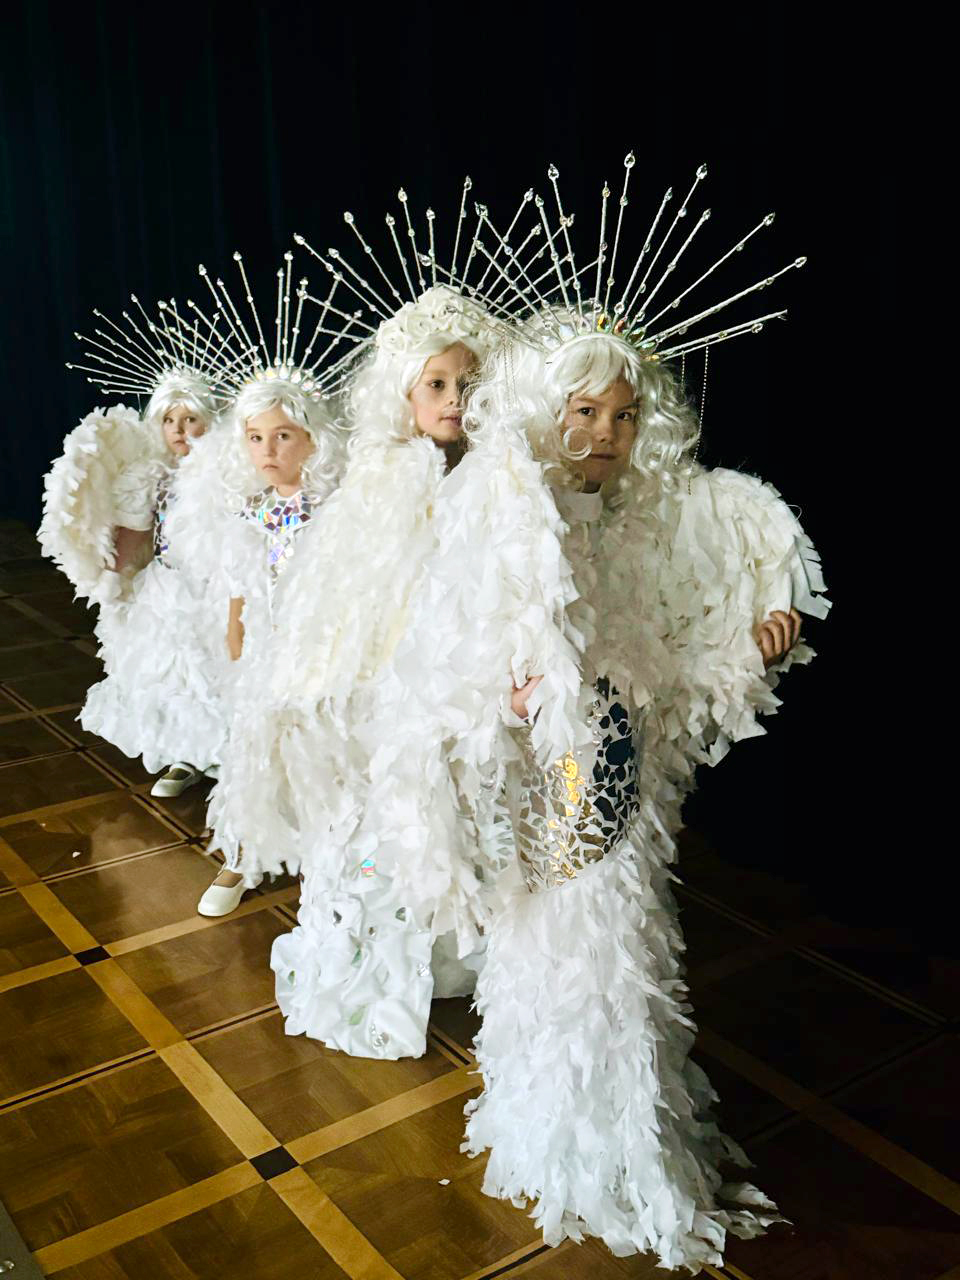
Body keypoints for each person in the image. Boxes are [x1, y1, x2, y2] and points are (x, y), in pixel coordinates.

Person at [40, 303, 229, 796]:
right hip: (168, 584)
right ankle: (183, 754)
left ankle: (229, 755)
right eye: (171, 420)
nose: (181, 430)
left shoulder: (231, 476)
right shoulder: (153, 477)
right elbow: (135, 530)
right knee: (173, 674)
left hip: (221, 585)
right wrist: (114, 575)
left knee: (219, 669)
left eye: (191, 419)